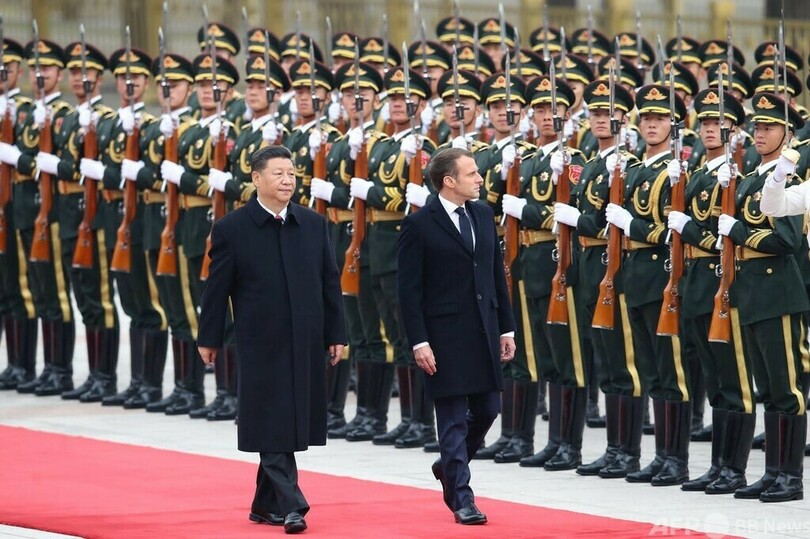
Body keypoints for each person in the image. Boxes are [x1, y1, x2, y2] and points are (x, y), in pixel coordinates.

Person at [197, 145, 346, 533]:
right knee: (270, 416)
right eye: (278, 173)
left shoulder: (312, 224)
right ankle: (291, 503)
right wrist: (209, 338)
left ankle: (265, 504)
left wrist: (336, 333)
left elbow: (330, 283)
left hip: (306, 337)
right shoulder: (232, 228)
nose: (287, 180)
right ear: (256, 178)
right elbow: (216, 290)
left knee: (290, 417)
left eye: (292, 174)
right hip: (260, 341)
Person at [397, 147, 516, 525]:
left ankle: (449, 464)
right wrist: (419, 341)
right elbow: (408, 291)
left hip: (483, 329)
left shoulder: (482, 214)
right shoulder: (419, 224)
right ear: (449, 181)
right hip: (443, 336)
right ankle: (461, 498)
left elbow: (496, 275)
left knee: (488, 409)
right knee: (451, 419)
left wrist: (506, 327)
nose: (480, 178)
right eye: (472, 173)